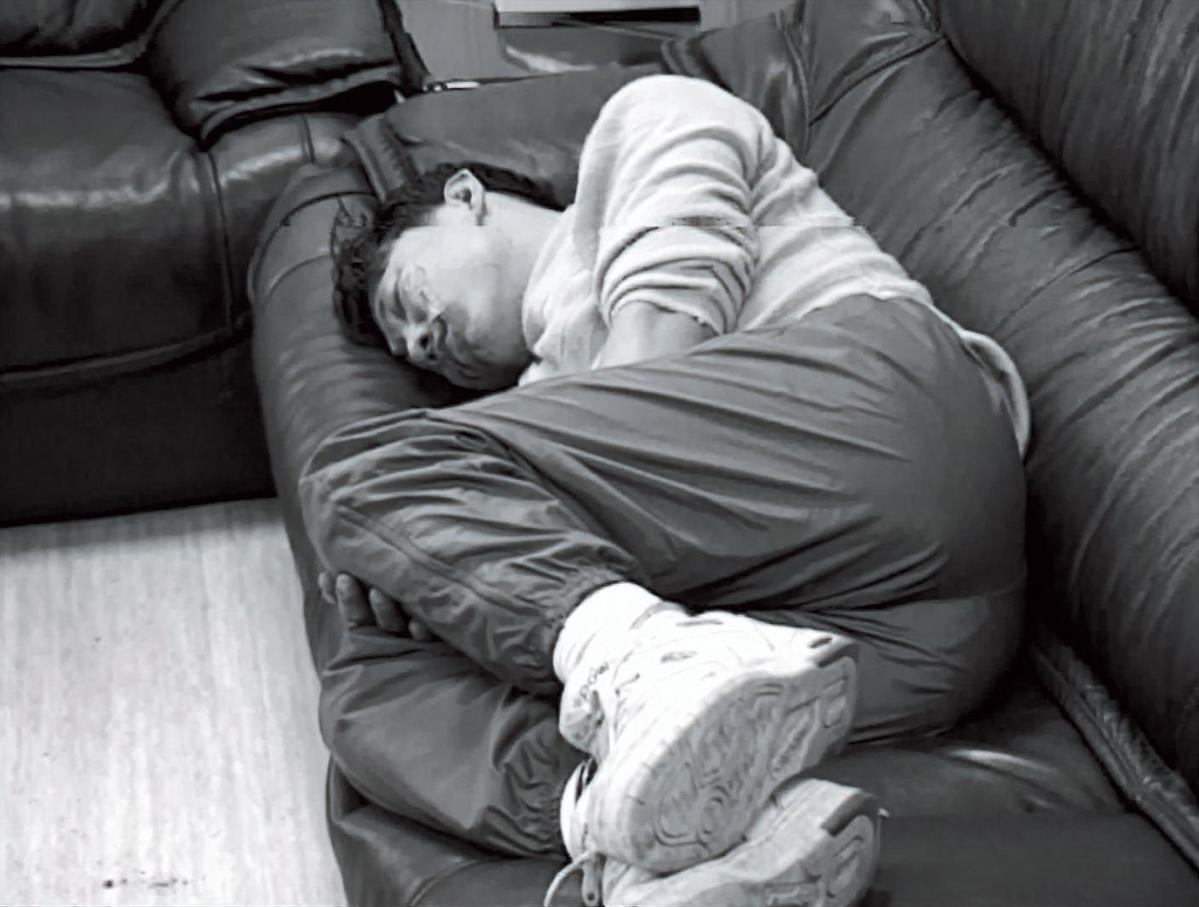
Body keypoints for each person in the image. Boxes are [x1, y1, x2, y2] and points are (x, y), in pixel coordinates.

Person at [307, 74, 1031, 906]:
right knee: (366, 686)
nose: (420, 339)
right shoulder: (541, 407)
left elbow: (661, 346)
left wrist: (461, 555)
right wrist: (455, 577)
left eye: (409, 297)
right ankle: (646, 835)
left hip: (884, 420)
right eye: (411, 350)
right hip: (908, 643)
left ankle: (644, 666)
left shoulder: (642, 130)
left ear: (466, 198)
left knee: (360, 471)